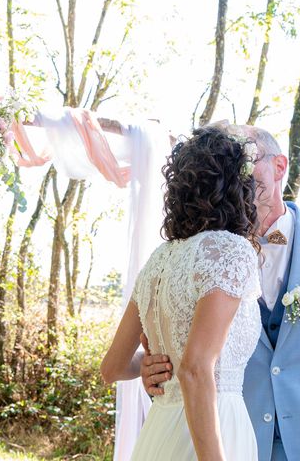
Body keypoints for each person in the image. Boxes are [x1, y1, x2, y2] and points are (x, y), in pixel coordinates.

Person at [141, 124, 300, 461]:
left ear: (279, 167)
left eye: (245, 159)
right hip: (235, 444)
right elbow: (191, 356)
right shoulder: (209, 257)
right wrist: (156, 371)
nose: (235, 172)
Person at [101, 126, 263, 460]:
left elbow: (112, 367)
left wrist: (149, 364)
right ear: (238, 188)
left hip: (160, 430)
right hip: (210, 433)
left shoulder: (158, 260)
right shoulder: (230, 250)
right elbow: (194, 369)